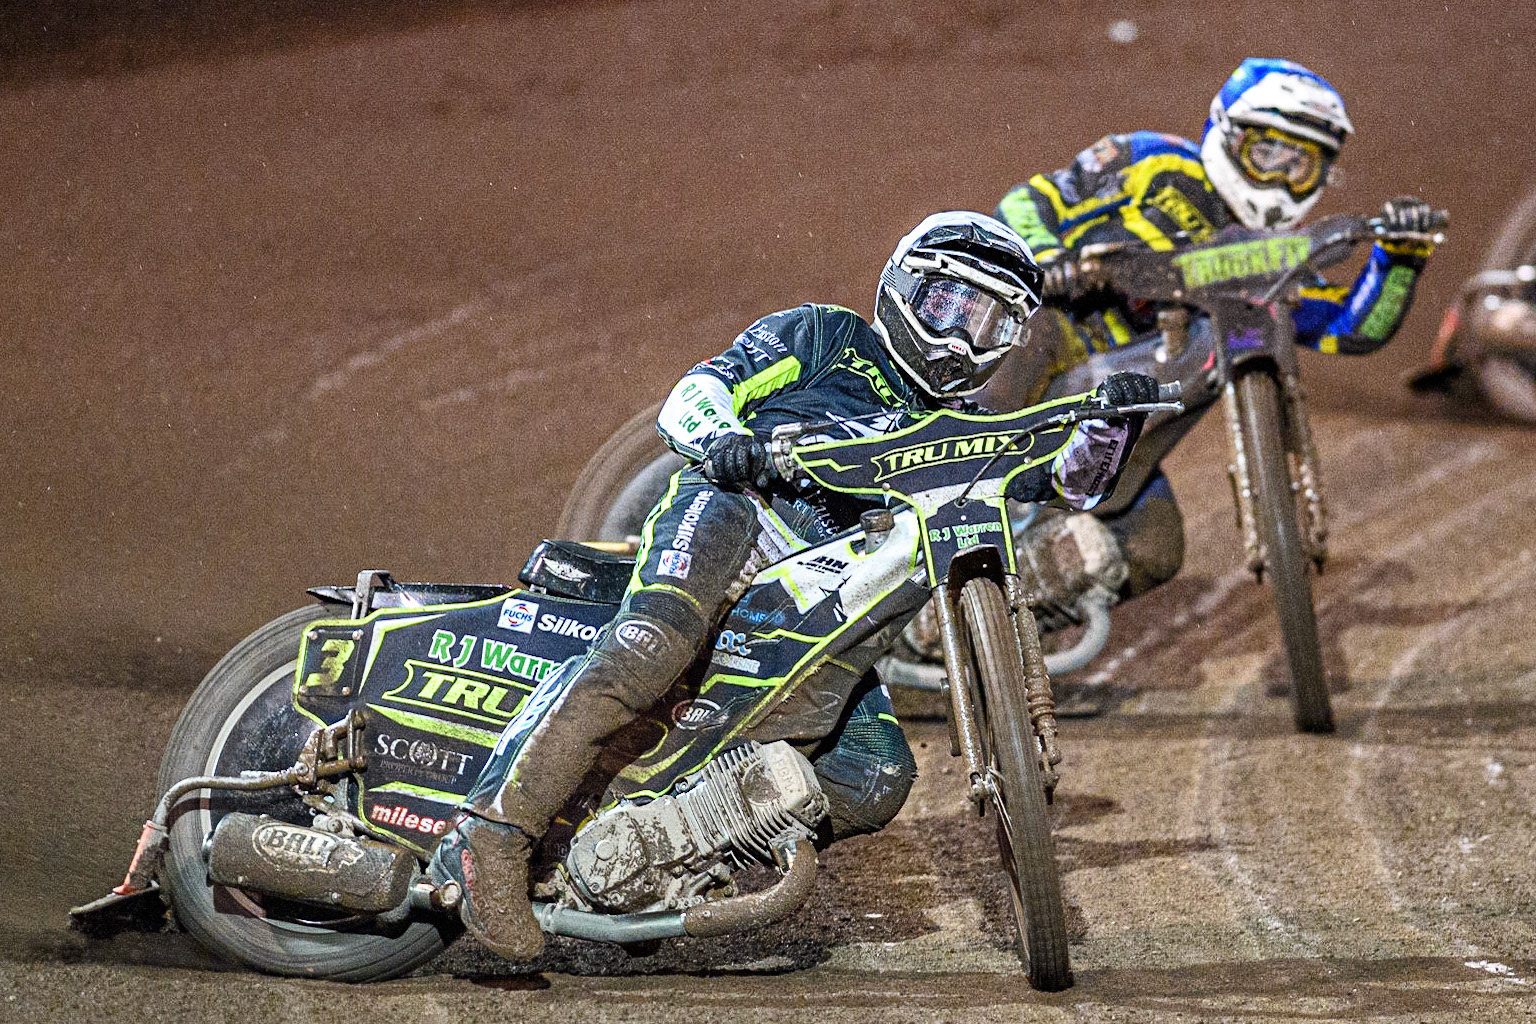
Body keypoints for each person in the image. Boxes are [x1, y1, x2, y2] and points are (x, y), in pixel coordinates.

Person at [429, 211, 1161, 959]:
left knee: (875, 774)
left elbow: (1068, 484)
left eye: (988, 324)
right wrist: (725, 440)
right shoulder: (825, 338)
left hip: (815, 613)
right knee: (653, 647)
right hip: (734, 517)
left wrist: (1112, 427)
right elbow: (700, 389)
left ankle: (656, 856)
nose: (959, 341)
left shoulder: (963, 429)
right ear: (904, 288)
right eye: (949, 307)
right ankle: (486, 839)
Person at [990, 57, 1442, 602]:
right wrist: (1048, 256)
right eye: (1267, 152)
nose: (1278, 178)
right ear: (1227, 135)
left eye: (1300, 166)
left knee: (1155, 547)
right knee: (1032, 329)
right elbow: (1028, 200)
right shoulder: (1150, 161)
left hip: (1120, 425)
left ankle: (1002, 625)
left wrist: (1399, 259)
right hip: (1068, 346)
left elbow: (1350, 329)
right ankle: (938, 474)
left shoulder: (1274, 258)